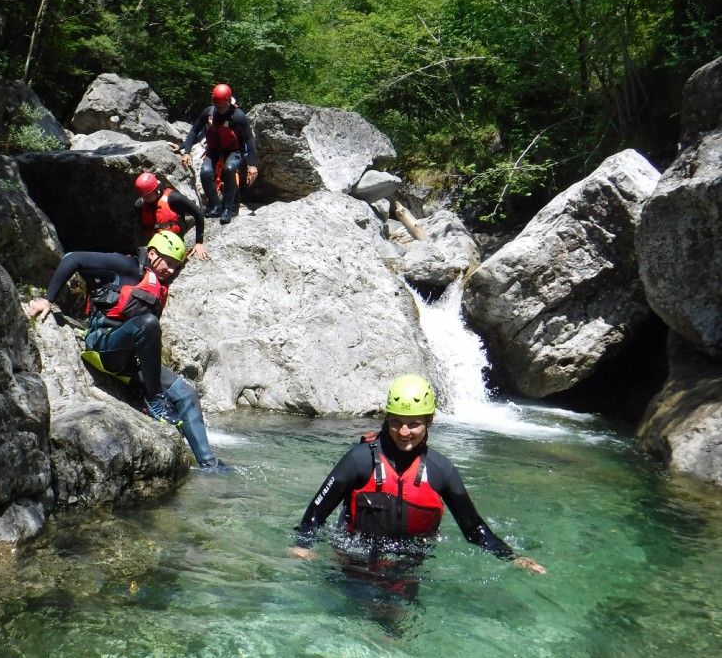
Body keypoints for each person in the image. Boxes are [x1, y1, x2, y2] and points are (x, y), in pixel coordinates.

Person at [289, 374, 546, 574]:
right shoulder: (359, 460)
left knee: (395, 633)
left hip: (409, 566)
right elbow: (315, 514)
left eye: (413, 423)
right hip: (353, 558)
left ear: (429, 421)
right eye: (396, 422)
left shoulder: (441, 470)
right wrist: (303, 546)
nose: (404, 432)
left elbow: (473, 528)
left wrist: (511, 557)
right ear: (387, 418)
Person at [27, 230, 225, 470]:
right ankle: (154, 400)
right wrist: (47, 300)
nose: (171, 271)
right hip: (103, 346)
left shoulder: (159, 285)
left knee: (188, 394)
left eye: (176, 267)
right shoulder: (125, 265)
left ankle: (208, 463)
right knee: (148, 324)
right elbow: (72, 258)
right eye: (168, 263)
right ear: (152, 254)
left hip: (129, 356)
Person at [178, 83, 258, 225]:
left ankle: (227, 210)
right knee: (205, 172)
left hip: (234, 151)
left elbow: (249, 140)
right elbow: (195, 131)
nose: (220, 109)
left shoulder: (238, 116)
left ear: (229, 101)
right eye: (218, 106)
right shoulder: (209, 113)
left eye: (223, 106)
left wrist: (252, 165)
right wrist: (186, 151)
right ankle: (215, 207)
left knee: (229, 169)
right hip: (214, 150)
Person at [134, 172, 208, 260]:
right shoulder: (140, 205)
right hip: (155, 244)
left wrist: (199, 242)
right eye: (144, 196)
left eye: (149, 195)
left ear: (155, 189)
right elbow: (144, 227)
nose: (146, 198)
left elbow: (198, 213)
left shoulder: (173, 198)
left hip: (175, 243)